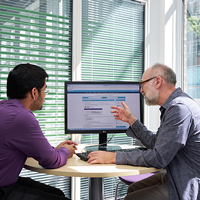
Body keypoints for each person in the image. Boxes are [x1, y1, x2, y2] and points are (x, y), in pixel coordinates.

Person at [87, 63, 200, 200]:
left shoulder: (180, 109)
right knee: (132, 188)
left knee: (131, 198)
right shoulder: (173, 106)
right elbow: (156, 143)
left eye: (143, 84)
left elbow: (159, 158)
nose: (141, 90)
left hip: (184, 183)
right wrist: (131, 120)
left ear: (158, 81)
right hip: (174, 173)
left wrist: (112, 157)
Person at [0, 63, 77, 200]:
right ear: (34, 92)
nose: (45, 96)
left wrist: (55, 150)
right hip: (4, 191)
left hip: (7, 183)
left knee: (57, 194)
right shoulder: (22, 117)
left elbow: (33, 149)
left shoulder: (4, 108)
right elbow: (50, 161)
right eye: (45, 90)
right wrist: (66, 151)